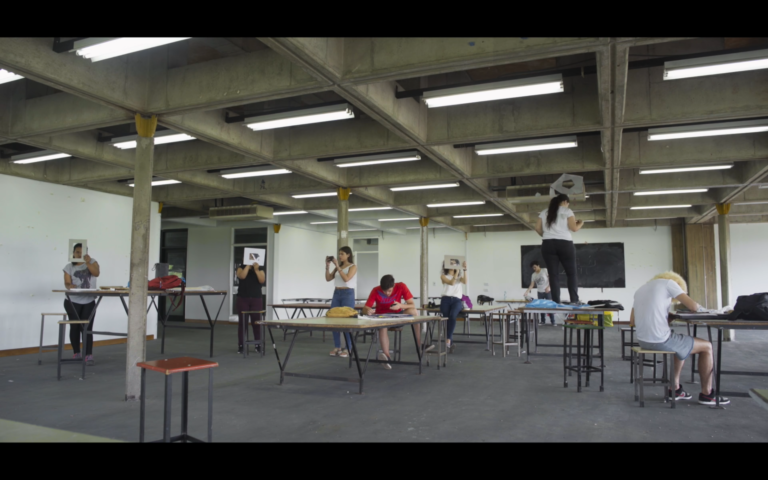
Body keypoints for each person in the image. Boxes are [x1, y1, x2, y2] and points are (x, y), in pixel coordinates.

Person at [630, 271, 729, 405]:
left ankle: (675, 389)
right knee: (707, 346)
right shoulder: (669, 283)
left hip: (643, 341)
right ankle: (707, 394)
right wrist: (704, 309)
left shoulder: (640, 289)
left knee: (681, 345)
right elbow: (693, 306)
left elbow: (632, 321)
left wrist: (665, 318)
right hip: (660, 340)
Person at [362, 275, 430, 369]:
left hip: (398, 315)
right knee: (383, 326)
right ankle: (387, 357)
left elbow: (412, 305)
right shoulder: (375, 290)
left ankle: (419, 344)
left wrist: (400, 306)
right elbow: (365, 308)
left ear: (393, 285)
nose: (387, 293)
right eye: (384, 291)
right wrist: (368, 310)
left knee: (414, 311)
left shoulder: (401, 286)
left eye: (389, 291)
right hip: (382, 317)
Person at [534, 193, 583, 304]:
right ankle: (574, 300)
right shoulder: (567, 211)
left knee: (553, 275)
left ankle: (556, 301)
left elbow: (537, 228)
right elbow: (574, 228)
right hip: (565, 244)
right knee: (571, 273)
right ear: (565, 202)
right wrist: (581, 223)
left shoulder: (544, 212)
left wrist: (546, 236)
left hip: (548, 244)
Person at [62, 243, 100, 366]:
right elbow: (67, 283)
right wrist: (70, 286)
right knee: (75, 327)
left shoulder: (92, 262)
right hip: (72, 301)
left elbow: (96, 273)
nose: (79, 254)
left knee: (87, 328)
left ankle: (88, 354)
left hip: (89, 300)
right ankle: (76, 353)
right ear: (73, 253)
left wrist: (87, 263)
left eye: (82, 252)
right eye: (77, 252)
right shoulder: (69, 267)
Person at [325, 247, 357, 357]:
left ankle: (348, 348)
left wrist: (337, 266)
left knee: (347, 322)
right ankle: (337, 346)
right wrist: (327, 266)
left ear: (348, 255)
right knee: (333, 319)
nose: (340, 256)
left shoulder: (353, 266)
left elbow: (346, 279)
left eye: (342, 254)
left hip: (348, 293)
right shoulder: (338, 267)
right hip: (337, 293)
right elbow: (328, 278)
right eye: (339, 254)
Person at [236, 256, 266, 354]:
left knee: (256, 322)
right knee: (242, 323)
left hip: (256, 299)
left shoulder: (260, 269)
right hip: (243, 298)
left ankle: (258, 345)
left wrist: (256, 270)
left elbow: (262, 280)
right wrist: (248, 266)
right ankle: (241, 345)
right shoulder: (240, 268)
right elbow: (242, 276)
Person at [440, 260, 467, 353]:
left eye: (454, 264)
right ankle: (450, 343)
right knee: (446, 319)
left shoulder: (459, 277)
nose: (453, 265)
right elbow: (451, 283)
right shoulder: (443, 276)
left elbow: (465, 281)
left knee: (452, 316)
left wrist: (464, 270)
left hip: (456, 300)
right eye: (450, 263)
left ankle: (448, 340)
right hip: (445, 300)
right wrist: (457, 272)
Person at [523, 260, 555, 325]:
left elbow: (551, 278)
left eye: (535, 267)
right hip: (540, 292)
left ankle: (553, 321)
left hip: (547, 291)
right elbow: (532, 284)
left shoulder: (545, 270)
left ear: (538, 266)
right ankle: (543, 321)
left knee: (550, 306)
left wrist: (549, 287)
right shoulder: (533, 275)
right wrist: (527, 291)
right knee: (541, 306)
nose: (534, 269)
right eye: (533, 268)